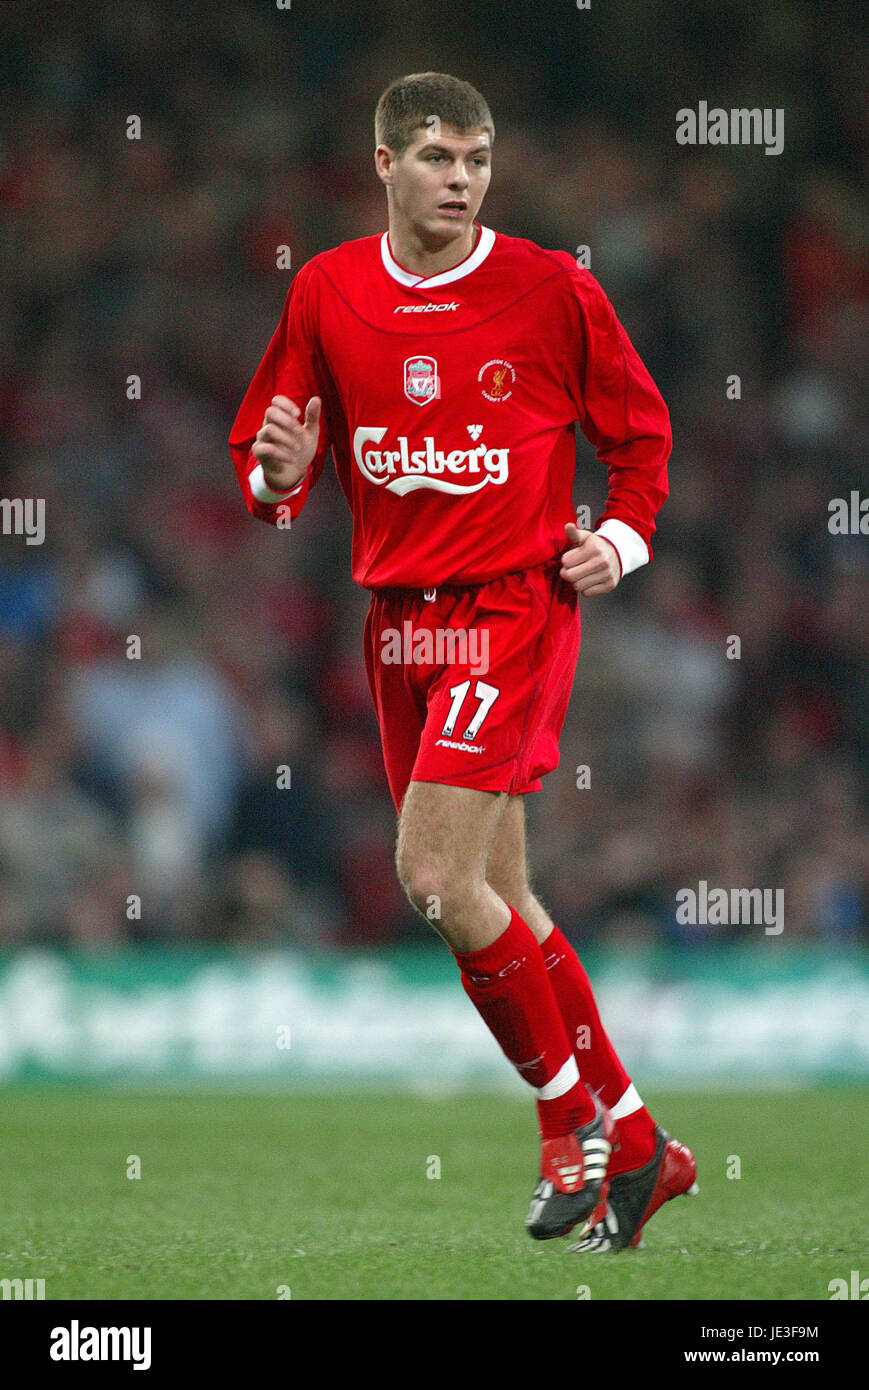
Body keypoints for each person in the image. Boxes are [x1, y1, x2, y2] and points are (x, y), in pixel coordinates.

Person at [229, 71, 697, 1250]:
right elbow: (266, 453)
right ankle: (642, 1146)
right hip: (397, 622)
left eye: (478, 160)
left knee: (434, 879)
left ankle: (565, 1132)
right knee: (501, 900)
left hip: (510, 604)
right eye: (438, 157)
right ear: (382, 161)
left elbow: (638, 432)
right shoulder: (328, 290)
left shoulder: (549, 288)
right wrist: (276, 477)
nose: (461, 179)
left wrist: (621, 540)